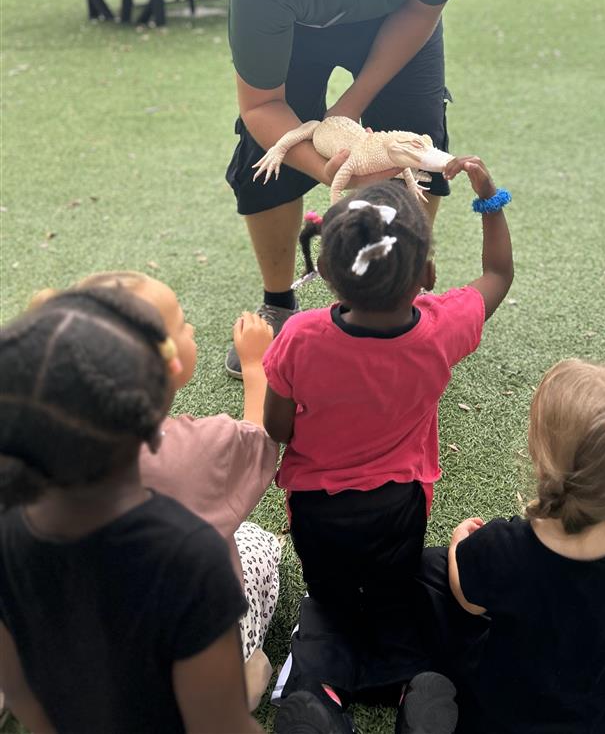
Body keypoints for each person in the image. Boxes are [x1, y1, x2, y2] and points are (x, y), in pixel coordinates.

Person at [224, 0, 479, 376]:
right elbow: (264, 104)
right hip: (299, 21)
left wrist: (351, 109)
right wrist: (334, 169)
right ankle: (280, 300)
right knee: (267, 152)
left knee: (418, 139)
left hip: (399, 19)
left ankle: (395, 294)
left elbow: (418, 11)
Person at [263, 158, 513, 732]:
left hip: (317, 508)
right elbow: (498, 274)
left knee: (327, 599)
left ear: (324, 269)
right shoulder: (441, 328)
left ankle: (320, 697)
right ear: (426, 275)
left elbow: (279, 430)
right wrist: (489, 200)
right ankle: (412, 692)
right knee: (394, 592)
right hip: (400, 502)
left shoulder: (299, 337)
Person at [0, 285, 260, 734]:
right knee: (258, 563)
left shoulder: (9, 526)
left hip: (69, 690)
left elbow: (22, 689)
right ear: (162, 377)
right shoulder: (192, 555)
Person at [76, 270, 282, 711]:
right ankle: (244, 680)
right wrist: (255, 365)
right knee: (261, 545)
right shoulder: (195, 448)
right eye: (182, 324)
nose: (190, 329)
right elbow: (259, 436)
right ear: (170, 363)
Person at [445, 358, 605, 734]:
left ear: (545, 465)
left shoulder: (502, 550)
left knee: (430, 575)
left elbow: (469, 601)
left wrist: (459, 544)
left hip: (508, 715)